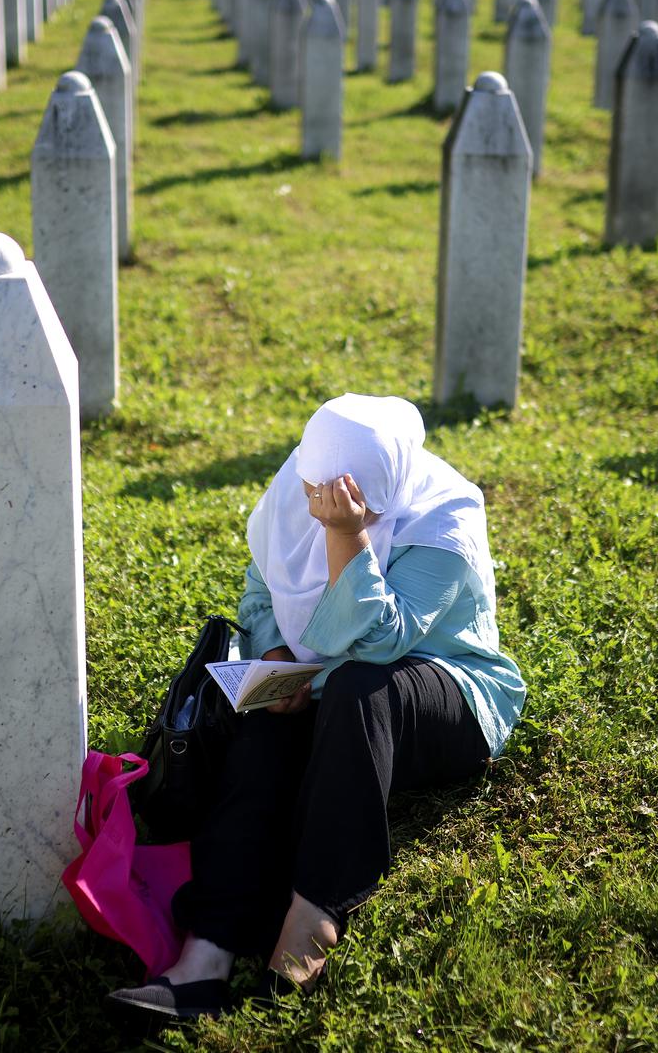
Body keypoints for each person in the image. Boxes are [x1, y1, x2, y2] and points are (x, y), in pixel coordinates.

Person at [107, 393, 527, 1021]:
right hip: (327, 685)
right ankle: (205, 957)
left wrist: (347, 534)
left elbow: (383, 642)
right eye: (313, 495)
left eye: (345, 502)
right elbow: (260, 589)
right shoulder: (296, 483)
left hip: (445, 686)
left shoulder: (444, 515)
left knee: (360, 685)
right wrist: (275, 651)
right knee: (263, 736)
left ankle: (314, 913)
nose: (318, 506)